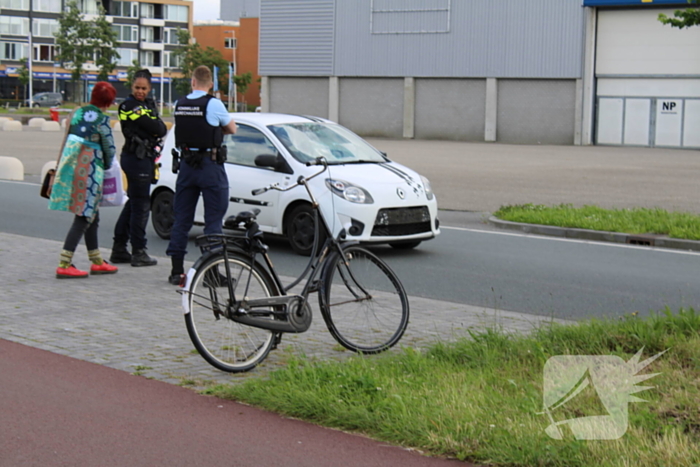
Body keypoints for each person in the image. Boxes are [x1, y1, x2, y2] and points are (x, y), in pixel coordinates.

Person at [166, 65, 237, 284]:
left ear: (193, 82)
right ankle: (212, 273)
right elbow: (231, 129)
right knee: (213, 220)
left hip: (187, 165)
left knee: (182, 219)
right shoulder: (213, 104)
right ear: (211, 84)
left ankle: (177, 271)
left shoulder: (181, 103)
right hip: (210, 165)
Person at [49, 82, 119, 279]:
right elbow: (109, 149)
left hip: (71, 165)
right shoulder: (102, 120)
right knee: (83, 216)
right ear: (108, 102)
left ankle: (96, 260)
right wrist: (106, 166)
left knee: (91, 214)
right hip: (89, 169)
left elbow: (66, 137)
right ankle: (65, 262)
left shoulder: (77, 113)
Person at [110, 69, 167, 267]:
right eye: (137, 88)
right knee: (141, 206)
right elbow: (158, 128)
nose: (140, 91)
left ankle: (119, 249)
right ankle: (138, 250)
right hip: (136, 157)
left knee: (133, 203)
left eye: (144, 88)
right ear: (132, 87)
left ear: (149, 89)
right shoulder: (130, 105)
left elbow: (158, 127)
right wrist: (154, 124)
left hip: (143, 158)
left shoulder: (145, 105)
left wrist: (154, 123)